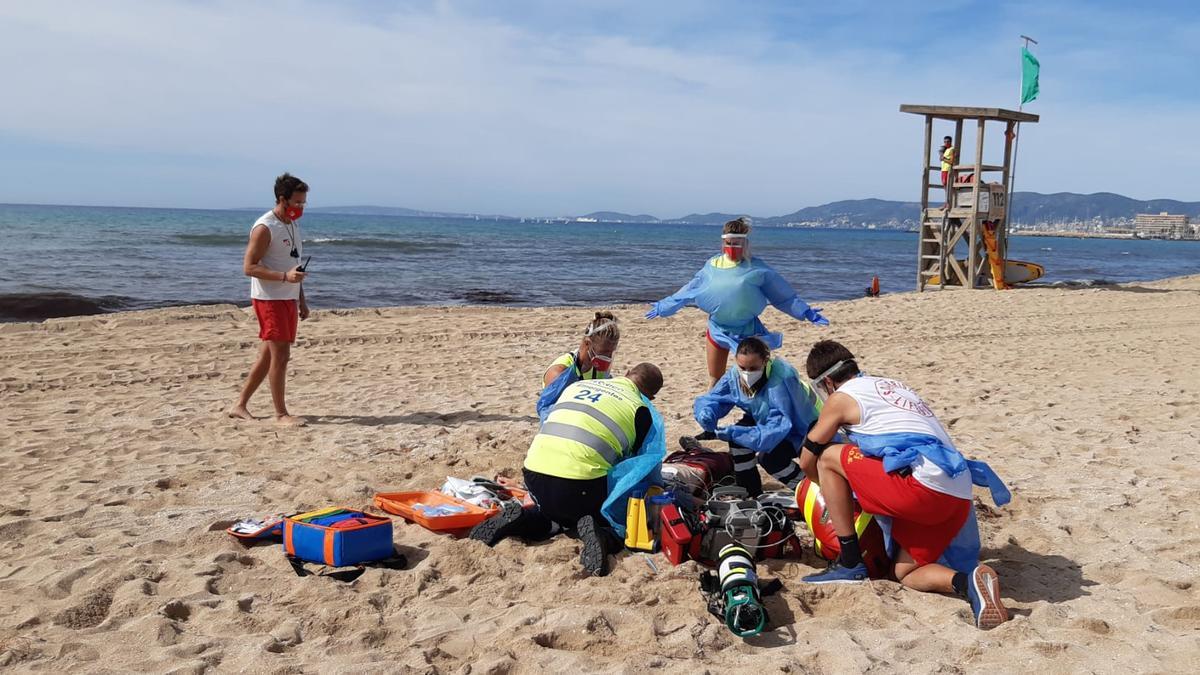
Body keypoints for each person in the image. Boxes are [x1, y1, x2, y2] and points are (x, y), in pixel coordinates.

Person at [796, 340, 1012, 630]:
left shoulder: (841, 397)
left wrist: (832, 492)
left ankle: (849, 563)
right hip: (958, 494)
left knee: (828, 457)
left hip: (923, 489)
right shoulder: (894, 385)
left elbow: (807, 460)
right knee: (906, 572)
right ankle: (968, 584)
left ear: (828, 383)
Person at [471, 363, 665, 577]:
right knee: (610, 517)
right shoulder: (642, 409)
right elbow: (641, 467)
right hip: (579, 487)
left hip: (535, 475)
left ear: (627, 373)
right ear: (651, 397)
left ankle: (523, 520)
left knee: (552, 515)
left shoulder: (580, 386)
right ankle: (604, 535)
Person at [645, 217, 827, 388]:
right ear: (723, 243)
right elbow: (690, 289)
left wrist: (806, 312)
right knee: (715, 379)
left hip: (748, 331)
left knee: (754, 379)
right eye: (729, 243)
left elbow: (782, 295)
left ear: (745, 244)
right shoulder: (712, 265)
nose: (732, 247)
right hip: (717, 329)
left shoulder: (756, 268)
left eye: (737, 244)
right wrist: (665, 305)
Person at [227, 173, 310, 426]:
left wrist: (301, 299)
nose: (301, 208)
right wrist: (284, 277)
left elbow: (293, 265)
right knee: (281, 356)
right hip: (269, 298)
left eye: (304, 203)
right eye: (297, 203)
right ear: (282, 199)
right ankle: (281, 414)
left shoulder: (292, 225)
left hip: (288, 297)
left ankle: (239, 405)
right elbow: (249, 267)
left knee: (267, 356)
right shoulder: (264, 227)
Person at [692, 337, 819, 496]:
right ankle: (750, 492)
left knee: (771, 459)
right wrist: (707, 413)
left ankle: (809, 492)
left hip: (802, 427)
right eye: (742, 367)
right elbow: (714, 398)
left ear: (766, 361)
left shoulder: (780, 382)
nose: (747, 373)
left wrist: (733, 432)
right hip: (763, 418)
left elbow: (777, 427)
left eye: (753, 368)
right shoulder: (735, 376)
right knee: (739, 442)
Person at [537, 312, 620, 421]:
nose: (608, 357)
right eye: (604, 352)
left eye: (611, 352)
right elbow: (552, 412)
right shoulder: (559, 372)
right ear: (587, 344)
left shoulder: (598, 368)